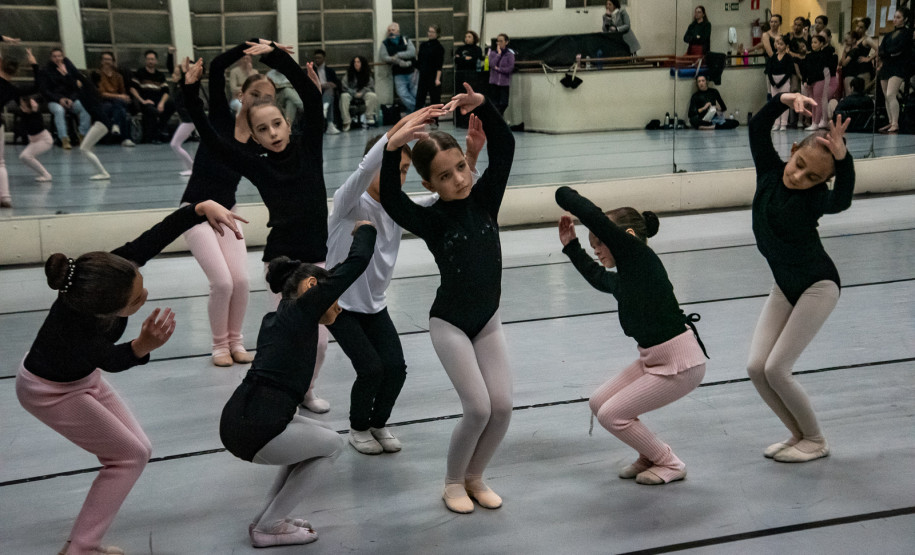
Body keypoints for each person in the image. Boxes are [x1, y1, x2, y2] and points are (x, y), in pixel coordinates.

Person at [16, 201, 244, 555]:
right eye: (137, 300)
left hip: (80, 378)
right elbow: (113, 360)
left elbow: (155, 237)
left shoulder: (107, 274)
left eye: (141, 286)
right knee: (128, 456)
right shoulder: (73, 330)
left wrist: (199, 208)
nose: (145, 296)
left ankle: (80, 544)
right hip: (48, 393)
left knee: (138, 451)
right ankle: (80, 549)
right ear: (106, 312)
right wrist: (141, 345)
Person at [379, 84, 515, 514]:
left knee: (503, 407)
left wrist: (485, 107)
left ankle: (476, 476)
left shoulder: (485, 200)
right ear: (429, 182)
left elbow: (506, 147)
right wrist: (391, 148)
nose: (459, 179)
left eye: (461, 167)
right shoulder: (433, 219)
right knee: (477, 409)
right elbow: (393, 200)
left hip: (487, 320)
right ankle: (453, 482)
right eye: (445, 176)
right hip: (451, 324)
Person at [182, 42, 333, 411]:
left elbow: (313, 103)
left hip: (318, 255)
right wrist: (188, 89)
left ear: (286, 121)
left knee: (321, 340)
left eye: (277, 124)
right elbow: (210, 136)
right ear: (256, 136)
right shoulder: (256, 162)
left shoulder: (308, 146)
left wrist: (276, 56)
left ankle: (306, 391)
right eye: (263, 129)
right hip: (282, 261)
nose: (273, 133)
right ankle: (278, 391)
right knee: (288, 334)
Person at [327, 109, 486, 456]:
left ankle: (378, 423)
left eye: (403, 172)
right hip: (339, 304)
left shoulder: (398, 208)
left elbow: (449, 195)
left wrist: (472, 156)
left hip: (374, 304)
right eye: (391, 169)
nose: (396, 178)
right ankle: (357, 427)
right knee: (370, 368)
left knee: (395, 368)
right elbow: (363, 170)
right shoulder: (348, 204)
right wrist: (393, 138)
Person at [220, 223, 376, 548]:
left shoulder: (276, 318)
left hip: (240, 416)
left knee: (309, 445)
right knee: (333, 444)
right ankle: (270, 527)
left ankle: (266, 519)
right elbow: (357, 263)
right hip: (258, 425)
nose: (339, 305)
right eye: (334, 297)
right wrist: (366, 230)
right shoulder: (304, 309)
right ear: (311, 286)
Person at [555, 187, 708, 485]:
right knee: (599, 402)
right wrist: (573, 247)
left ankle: (669, 463)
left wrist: (563, 194)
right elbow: (598, 278)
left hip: (681, 365)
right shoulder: (626, 278)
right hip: (654, 360)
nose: (597, 250)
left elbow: (592, 215)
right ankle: (648, 454)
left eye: (600, 242)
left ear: (625, 236)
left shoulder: (641, 259)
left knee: (612, 415)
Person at [746, 92, 854, 464]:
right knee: (756, 368)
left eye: (813, 177)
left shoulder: (813, 200)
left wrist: (844, 160)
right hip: (784, 286)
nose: (800, 176)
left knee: (777, 368)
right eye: (799, 164)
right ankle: (797, 434)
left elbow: (842, 199)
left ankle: (816, 439)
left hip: (817, 287)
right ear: (792, 149)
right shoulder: (770, 172)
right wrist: (784, 98)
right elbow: (758, 127)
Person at [177, 40, 276, 368]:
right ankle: (219, 345)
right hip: (194, 210)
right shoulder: (220, 118)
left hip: (227, 213)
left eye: (268, 98)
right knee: (222, 282)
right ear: (241, 96)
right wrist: (252, 46)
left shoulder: (262, 140)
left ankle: (236, 342)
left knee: (243, 281)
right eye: (256, 95)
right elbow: (218, 68)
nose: (261, 101)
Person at [1, 47, 48, 207]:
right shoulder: (13, 89)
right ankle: (5, 197)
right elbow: (38, 86)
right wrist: (34, 64)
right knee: (0, 163)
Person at [39, 47, 91, 149]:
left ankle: (83, 135)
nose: (57, 58)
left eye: (59, 56)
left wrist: (71, 99)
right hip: (54, 100)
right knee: (59, 111)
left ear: (63, 57)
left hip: (71, 99)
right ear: (50, 58)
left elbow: (76, 87)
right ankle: (64, 138)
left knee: (85, 106)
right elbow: (45, 90)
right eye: (54, 56)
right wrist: (60, 99)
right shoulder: (45, 71)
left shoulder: (70, 69)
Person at [877, 8, 912, 134]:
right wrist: (884, 54)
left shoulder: (907, 33)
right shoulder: (889, 35)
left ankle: (895, 123)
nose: (895, 20)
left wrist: (888, 53)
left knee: (891, 93)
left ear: (905, 19)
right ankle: (891, 121)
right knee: (886, 95)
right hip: (887, 65)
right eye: (894, 17)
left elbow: (900, 49)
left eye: (898, 17)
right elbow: (882, 48)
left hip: (898, 66)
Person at [131, 50, 175, 143]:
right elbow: (132, 89)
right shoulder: (140, 72)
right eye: (148, 59)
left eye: (152, 59)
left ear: (156, 61)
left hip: (158, 101)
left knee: (172, 104)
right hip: (145, 101)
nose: (150, 61)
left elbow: (166, 91)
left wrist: (162, 103)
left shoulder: (160, 75)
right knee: (152, 111)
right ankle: (154, 136)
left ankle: (161, 128)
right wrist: (142, 100)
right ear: (146, 60)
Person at [165, 48, 195, 176]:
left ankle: (192, 168)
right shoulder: (177, 85)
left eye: (176, 74)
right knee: (175, 144)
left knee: (174, 144)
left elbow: (184, 74)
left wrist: (186, 67)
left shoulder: (184, 85)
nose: (173, 76)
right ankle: (192, 167)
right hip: (187, 120)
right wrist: (170, 55)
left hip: (189, 120)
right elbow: (170, 68)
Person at [94, 52, 135, 147]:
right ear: (101, 61)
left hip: (117, 101)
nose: (107, 62)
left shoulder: (118, 76)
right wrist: (120, 96)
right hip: (104, 100)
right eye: (105, 59)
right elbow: (101, 93)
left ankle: (116, 126)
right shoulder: (97, 75)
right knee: (119, 110)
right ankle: (125, 138)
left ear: (113, 62)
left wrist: (125, 97)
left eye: (109, 59)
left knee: (120, 105)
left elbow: (122, 91)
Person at [378, 22, 417, 113]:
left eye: (393, 30)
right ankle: (417, 109)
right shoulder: (385, 43)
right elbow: (384, 57)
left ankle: (416, 111)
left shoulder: (405, 39)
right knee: (402, 94)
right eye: (389, 31)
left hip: (412, 71)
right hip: (398, 74)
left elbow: (412, 52)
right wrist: (397, 61)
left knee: (415, 93)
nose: (391, 32)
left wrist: (398, 55)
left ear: (398, 31)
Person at [415, 24, 445, 126]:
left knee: (435, 100)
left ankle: (435, 121)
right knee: (420, 98)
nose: (430, 33)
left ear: (437, 34)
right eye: (429, 31)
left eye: (432, 32)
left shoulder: (439, 47)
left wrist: (437, 79)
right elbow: (419, 61)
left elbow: (439, 65)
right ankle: (417, 120)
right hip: (423, 75)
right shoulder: (423, 45)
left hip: (434, 76)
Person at [766, 36, 797, 131]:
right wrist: (773, 83)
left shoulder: (788, 57)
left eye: (781, 44)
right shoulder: (773, 57)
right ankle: (776, 123)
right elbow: (769, 71)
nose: (779, 46)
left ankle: (783, 123)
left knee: (784, 102)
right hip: (774, 81)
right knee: (775, 103)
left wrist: (780, 83)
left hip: (784, 81)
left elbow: (789, 72)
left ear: (786, 46)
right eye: (778, 44)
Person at [340, 55, 378, 131]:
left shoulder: (367, 73)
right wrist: (354, 93)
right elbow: (344, 86)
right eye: (354, 62)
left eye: (358, 62)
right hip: (351, 93)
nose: (356, 64)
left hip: (363, 93)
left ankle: (369, 117)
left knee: (372, 95)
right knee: (344, 96)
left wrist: (362, 92)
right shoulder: (349, 74)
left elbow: (370, 87)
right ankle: (346, 121)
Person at [454, 31, 483, 128]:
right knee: (461, 98)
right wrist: (465, 59)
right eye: (466, 36)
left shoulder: (477, 49)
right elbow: (457, 60)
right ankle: (461, 120)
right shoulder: (460, 49)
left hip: (472, 76)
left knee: (471, 97)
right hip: (461, 76)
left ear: (474, 38)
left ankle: (473, 120)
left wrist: (464, 59)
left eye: (469, 37)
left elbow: (475, 60)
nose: (467, 38)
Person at [841, 18, 877, 96]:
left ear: (865, 29)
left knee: (862, 91)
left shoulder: (867, 39)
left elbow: (879, 49)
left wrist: (869, 58)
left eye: (861, 28)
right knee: (852, 91)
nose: (858, 29)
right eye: (857, 26)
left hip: (864, 68)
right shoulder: (855, 38)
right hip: (854, 69)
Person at [803, 34, 830, 130]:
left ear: (821, 44)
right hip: (809, 81)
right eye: (812, 42)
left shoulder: (823, 55)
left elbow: (818, 70)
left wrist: (810, 80)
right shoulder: (809, 55)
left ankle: (816, 122)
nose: (813, 44)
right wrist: (804, 80)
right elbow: (805, 69)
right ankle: (813, 122)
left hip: (818, 80)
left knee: (817, 102)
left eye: (815, 42)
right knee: (812, 101)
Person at [312, 49, 341, 134]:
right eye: (316, 58)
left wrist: (332, 84)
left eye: (319, 58)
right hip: (316, 92)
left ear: (324, 58)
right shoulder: (311, 70)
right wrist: (321, 85)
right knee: (329, 98)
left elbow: (337, 84)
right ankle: (330, 124)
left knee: (330, 91)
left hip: (328, 92)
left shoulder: (330, 71)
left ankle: (325, 107)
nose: (317, 60)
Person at [487, 34, 515, 116]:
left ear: (506, 42)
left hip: (504, 83)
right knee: (495, 103)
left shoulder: (510, 54)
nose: (498, 43)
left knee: (504, 103)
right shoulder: (493, 53)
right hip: (494, 82)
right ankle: (498, 120)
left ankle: (497, 118)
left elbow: (510, 68)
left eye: (501, 41)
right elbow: (491, 64)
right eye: (497, 41)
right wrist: (498, 54)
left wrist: (498, 69)